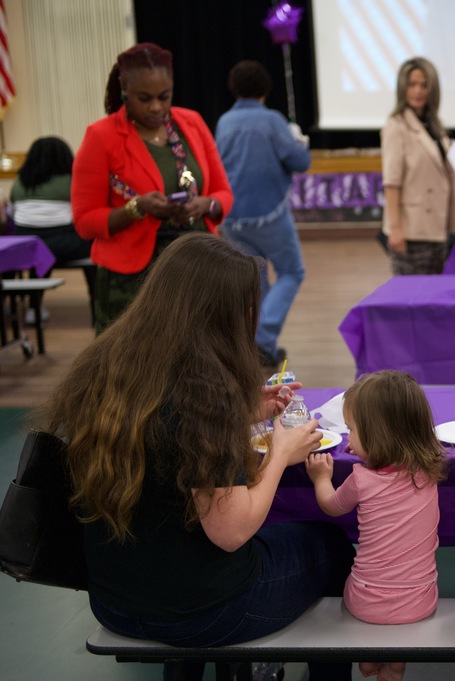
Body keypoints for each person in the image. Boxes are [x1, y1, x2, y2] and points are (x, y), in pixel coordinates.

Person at [45, 233, 356, 681]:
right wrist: (280, 455)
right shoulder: (205, 392)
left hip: (113, 601)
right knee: (329, 545)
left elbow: (162, 436)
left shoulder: (107, 366)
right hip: (203, 613)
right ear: (224, 314)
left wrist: (244, 411)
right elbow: (231, 532)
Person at [71, 42, 232, 333]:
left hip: (195, 268)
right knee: (131, 369)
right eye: (144, 98)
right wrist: (137, 207)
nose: (156, 107)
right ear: (124, 89)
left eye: (164, 96)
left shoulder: (191, 123)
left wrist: (204, 204)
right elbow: (85, 222)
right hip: (131, 280)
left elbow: (223, 194)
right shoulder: (101, 136)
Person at [306, 370, 446, 681]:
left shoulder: (360, 478)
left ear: (374, 437)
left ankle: (368, 658)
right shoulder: (428, 474)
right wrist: (372, 449)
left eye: (352, 430)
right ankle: (394, 666)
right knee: (400, 609)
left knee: (356, 589)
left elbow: (331, 505)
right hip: (420, 601)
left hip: (364, 602)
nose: (348, 437)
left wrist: (321, 479)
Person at [215, 60, 311, 369]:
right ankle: (263, 341)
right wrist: (299, 141)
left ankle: (249, 343)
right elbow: (299, 161)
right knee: (292, 271)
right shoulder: (272, 121)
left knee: (254, 282)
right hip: (268, 215)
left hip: (231, 217)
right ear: (265, 89)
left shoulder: (224, 122)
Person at [381, 56, 455, 275]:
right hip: (412, 230)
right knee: (412, 298)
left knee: (432, 297)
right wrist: (396, 229)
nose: (418, 91)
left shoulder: (434, 126)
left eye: (424, 85)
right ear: (402, 88)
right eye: (412, 85)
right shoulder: (396, 126)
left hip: (438, 226)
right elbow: (392, 182)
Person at [9, 136, 94, 324]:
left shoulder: (21, 182)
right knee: (93, 247)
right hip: (65, 245)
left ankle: (34, 307)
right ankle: (97, 307)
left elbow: (12, 211)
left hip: (27, 246)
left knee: (40, 250)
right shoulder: (72, 180)